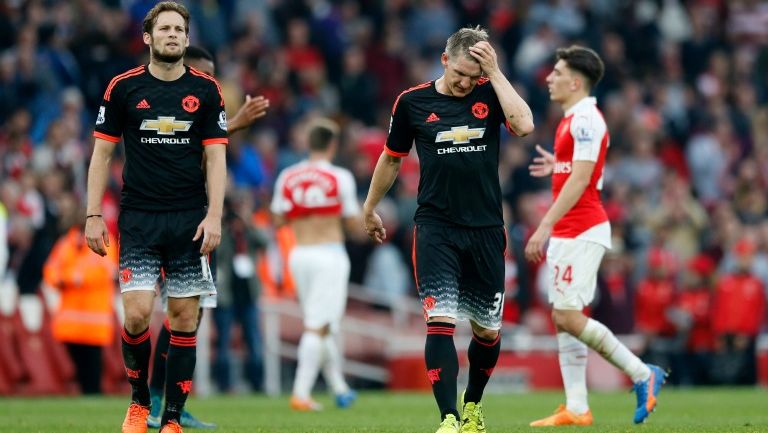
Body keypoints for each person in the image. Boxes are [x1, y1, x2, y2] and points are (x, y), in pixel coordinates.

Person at [363, 26, 534, 433]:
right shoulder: (412, 102)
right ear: (444, 59)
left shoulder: (490, 92)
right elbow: (391, 159)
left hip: (487, 228)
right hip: (436, 227)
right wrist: (369, 207)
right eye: (460, 72)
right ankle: (449, 419)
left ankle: (472, 405)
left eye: (473, 76)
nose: (464, 82)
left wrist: (494, 74)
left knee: (486, 330)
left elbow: (525, 125)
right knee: (440, 320)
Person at [85, 3, 227, 433]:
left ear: (186, 38)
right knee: (136, 315)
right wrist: (93, 214)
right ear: (148, 37)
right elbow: (101, 154)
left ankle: (171, 419)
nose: (171, 35)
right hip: (139, 218)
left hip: (189, 219)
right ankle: (139, 400)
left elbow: (216, 158)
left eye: (178, 29)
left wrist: (215, 215)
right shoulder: (123, 88)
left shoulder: (206, 90)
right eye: (163, 28)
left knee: (184, 319)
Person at [524, 45, 666, 427]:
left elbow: (585, 179)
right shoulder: (571, 119)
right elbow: (586, 170)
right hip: (573, 229)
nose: (549, 78)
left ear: (575, 81)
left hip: (581, 227)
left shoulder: (586, 119)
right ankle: (577, 405)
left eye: (556, 73)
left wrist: (544, 224)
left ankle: (641, 373)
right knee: (563, 316)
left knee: (569, 316)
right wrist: (561, 165)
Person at [146, 45, 269, 430]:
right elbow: (184, 152)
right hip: (174, 223)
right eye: (205, 74)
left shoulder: (207, 114)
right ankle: (153, 401)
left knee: (191, 318)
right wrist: (233, 124)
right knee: (180, 316)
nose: (212, 83)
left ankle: (171, 404)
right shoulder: (167, 112)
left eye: (214, 75)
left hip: (204, 225)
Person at [270, 118, 359, 411]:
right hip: (329, 254)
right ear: (333, 145)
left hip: (299, 253)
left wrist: (304, 214)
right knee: (317, 325)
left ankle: (339, 387)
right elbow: (352, 222)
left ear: (308, 144)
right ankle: (301, 393)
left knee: (325, 324)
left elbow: (278, 218)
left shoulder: (288, 176)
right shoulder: (340, 177)